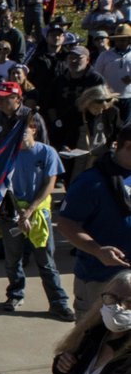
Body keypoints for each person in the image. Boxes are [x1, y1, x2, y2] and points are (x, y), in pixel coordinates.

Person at [0, 114, 75, 320]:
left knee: (46, 261)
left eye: (24, 129)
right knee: (12, 260)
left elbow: (50, 184)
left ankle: (59, 303)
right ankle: (15, 294)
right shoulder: (7, 154)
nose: (21, 135)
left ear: (34, 129)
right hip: (12, 215)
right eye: (16, 131)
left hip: (38, 214)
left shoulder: (47, 152)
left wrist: (30, 211)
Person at [57, 125, 131, 318]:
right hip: (101, 281)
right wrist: (97, 250)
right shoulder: (92, 182)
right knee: (91, 342)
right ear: (128, 146)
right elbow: (66, 223)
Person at [93, 23, 131, 125]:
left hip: (128, 96)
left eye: (123, 40)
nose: (120, 42)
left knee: (125, 126)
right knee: (109, 125)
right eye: (118, 40)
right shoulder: (105, 55)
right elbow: (96, 74)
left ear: (129, 40)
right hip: (109, 97)